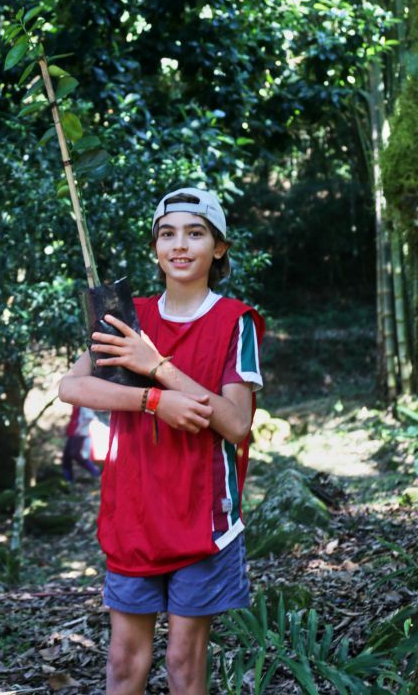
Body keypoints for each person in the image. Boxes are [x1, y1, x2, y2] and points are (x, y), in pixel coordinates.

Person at [58, 187, 264, 695]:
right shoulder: (129, 316)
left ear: (219, 247)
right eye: (167, 234)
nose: (180, 245)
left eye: (196, 234)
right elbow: (72, 387)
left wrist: (157, 367)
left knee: (183, 664)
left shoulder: (234, 321)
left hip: (203, 516)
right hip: (135, 512)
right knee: (123, 663)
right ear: (155, 248)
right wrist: (153, 401)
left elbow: (236, 424)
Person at [62, 405, 102, 481]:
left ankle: (95, 471)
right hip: (74, 433)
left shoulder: (83, 405)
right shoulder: (76, 405)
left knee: (76, 454)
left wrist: (79, 428)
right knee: (67, 456)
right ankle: (68, 479)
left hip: (80, 434)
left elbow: (90, 417)